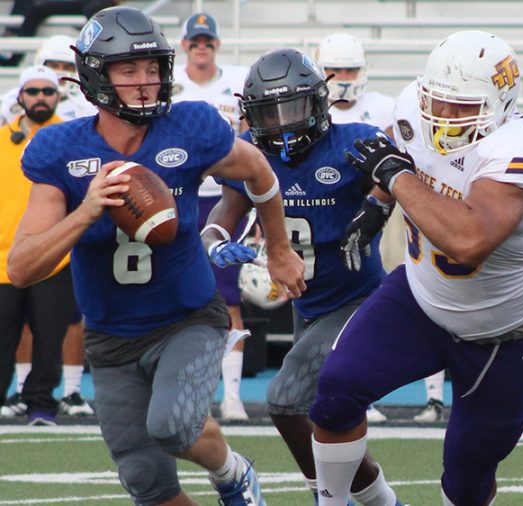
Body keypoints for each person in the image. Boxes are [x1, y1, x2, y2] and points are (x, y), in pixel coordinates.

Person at [8, 7, 304, 504]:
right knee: (146, 480)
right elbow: (21, 267)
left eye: (152, 68)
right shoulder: (59, 148)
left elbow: (258, 170)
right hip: (111, 336)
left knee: (173, 425)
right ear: (95, 76)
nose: (145, 82)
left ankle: (233, 475)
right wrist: (86, 212)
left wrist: (276, 246)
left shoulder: (188, 126)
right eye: (128, 70)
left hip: (188, 319)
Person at [310, 30, 523, 506]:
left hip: (509, 328)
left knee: (467, 474)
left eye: (461, 106)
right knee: (336, 391)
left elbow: (468, 240)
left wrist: (396, 177)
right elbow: (406, 159)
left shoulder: (519, 147)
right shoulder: (411, 106)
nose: (443, 116)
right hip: (422, 298)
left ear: (499, 104)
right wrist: (378, 203)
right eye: (437, 101)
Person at [204, 46, 404, 506]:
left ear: (317, 102)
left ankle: (325, 497)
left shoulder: (353, 139)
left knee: (285, 400)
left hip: (358, 298)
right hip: (306, 304)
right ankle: (383, 503)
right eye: (268, 114)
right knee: (324, 417)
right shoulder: (251, 153)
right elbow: (227, 210)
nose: (282, 124)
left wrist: (376, 206)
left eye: (291, 108)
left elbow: (394, 172)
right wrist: (213, 241)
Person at [317, 31, 401, 424]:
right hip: (323, 215)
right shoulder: (310, 109)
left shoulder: (382, 107)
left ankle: (428, 398)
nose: (344, 77)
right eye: (334, 70)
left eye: (350, 68)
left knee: (387, 288)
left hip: (378, 210)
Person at [173, 11, 252, 421]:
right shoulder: (171, 84)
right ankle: (191, 391)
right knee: (180, 294)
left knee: (228, 293)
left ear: (216, 45)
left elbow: (250, 130)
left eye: (208, 41)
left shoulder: (235, 82)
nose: (202, 47)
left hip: (224, 195)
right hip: (177, 195)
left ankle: (232, 394)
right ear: (185, 44)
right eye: (195, 41)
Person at [0, 66, 77, 427]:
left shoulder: (70, 137)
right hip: (2, 259)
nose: (40, 97)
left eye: (48, 91)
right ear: (20, 97)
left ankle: (41, 405)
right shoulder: (2, 139)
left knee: (49, 339)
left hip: (54, 256)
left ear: (58, 96)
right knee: (3, 337)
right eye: (33, 91)